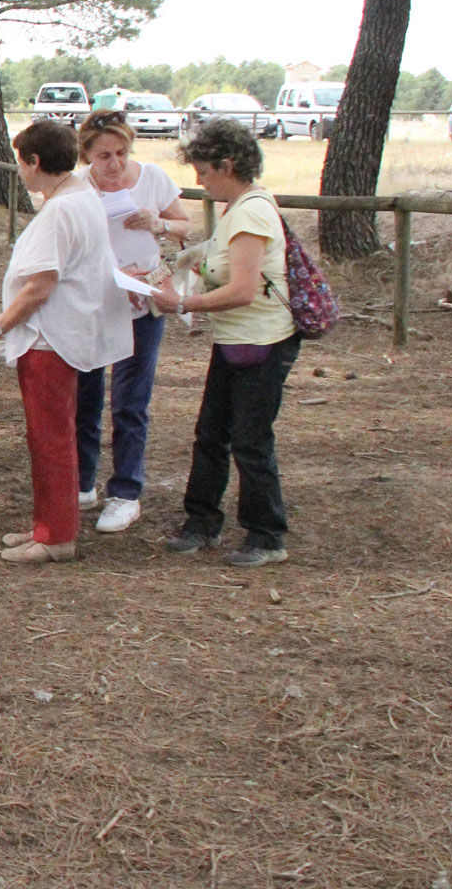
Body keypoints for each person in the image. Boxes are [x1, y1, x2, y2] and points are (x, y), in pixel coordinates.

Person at [0, 120, 132, 564]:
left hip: (49, 339)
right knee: (49, 436)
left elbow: (40, 285)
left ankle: (56, 537)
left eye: (21, 162)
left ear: (35, 162)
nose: (20, 171)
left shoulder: (61, 209)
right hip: (58, 335)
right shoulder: (78, 196)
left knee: (50, 437)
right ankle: (48, 523)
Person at [149, 118, 301, 568]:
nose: (198, 179)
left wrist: (182, 303)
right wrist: (173, 266)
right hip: (238, 339)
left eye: (203, 170)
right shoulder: (239, 207)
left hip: (262, 341)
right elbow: (215, 261)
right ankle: (201, 521)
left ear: (227, 165)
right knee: (211, 434)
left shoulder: (251, 212)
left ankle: (267, 533)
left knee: (251, 440)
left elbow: (243, 290)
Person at [75, 111, 192, 534]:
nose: (115, 164)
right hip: (96, 298)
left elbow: (184, 224)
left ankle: (125, 492)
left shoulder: (153, 178)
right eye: (104, 155)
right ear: (87, 153)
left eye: (122, 153)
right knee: (85, 393)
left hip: (144, 300)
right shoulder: (78, 187)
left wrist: (158, 222)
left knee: (130, 399)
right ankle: (81, 482)